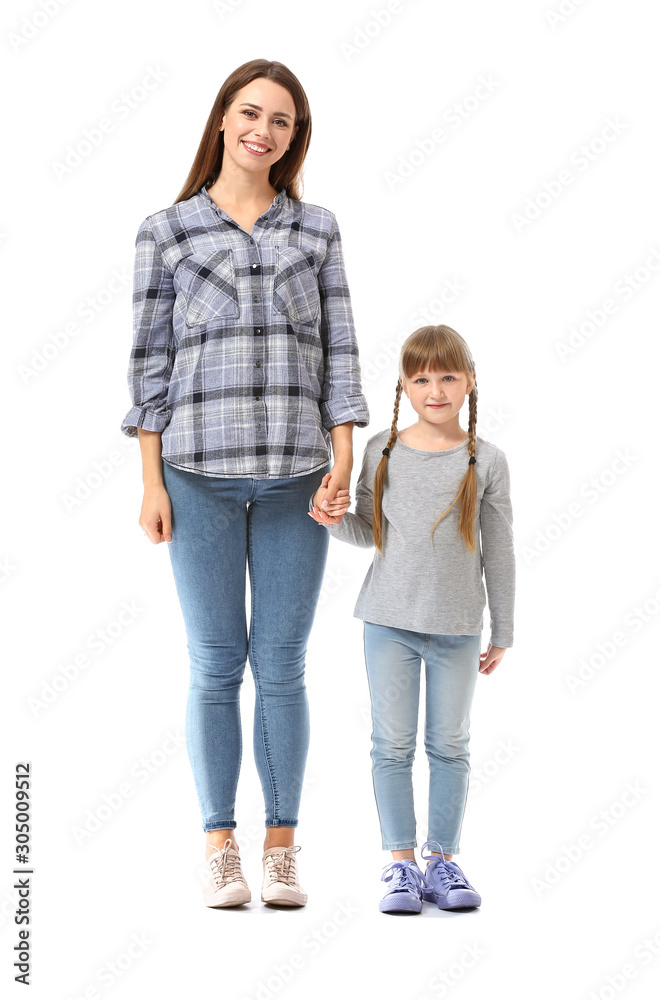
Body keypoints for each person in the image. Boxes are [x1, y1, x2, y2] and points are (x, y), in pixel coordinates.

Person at [120, 58, 369, 909]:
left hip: (302, 480)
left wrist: (344, 462)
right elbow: (149, 365)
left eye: (283, 123)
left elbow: (340, 352)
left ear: (295, 140)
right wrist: (151, 481)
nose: (265, 132)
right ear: (223, 119)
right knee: (217, 664)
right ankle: (220, 842)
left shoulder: (319, 229)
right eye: (251, 113)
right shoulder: (168, 231)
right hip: (197, 477)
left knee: (285, 665)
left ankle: (283, 846)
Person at [309, 324, 515, 914]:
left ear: (469, 382)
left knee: (450, 744)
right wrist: (329, 517)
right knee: (391, 744)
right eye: (422, 377)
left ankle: (442, 862)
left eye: (448, 375)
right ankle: (400, 866)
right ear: (404, 384)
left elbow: (499, 548)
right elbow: (370, 533)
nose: (436, 388)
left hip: (457, 627)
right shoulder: (382, 450)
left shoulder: (488, 460)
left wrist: (503, 629)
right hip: (388, 622)